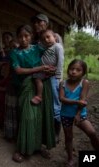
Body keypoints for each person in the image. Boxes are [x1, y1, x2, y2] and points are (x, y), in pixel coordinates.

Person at [10, 25, 56, 163]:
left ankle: (39, 146)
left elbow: (52, 54)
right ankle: (22, 149)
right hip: (26, 87)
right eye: (21, 36)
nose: (23, 39)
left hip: (43, 84)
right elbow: (18, 71)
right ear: (17, 37)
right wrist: (40, 68)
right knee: (27, 117)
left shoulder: (38, 48)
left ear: (31, 37)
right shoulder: (14, 53)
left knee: (41, 117)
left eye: (27, 36)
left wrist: (53, 69)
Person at [59, 59, 99, 167]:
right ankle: (70, 159)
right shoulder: (63, 83)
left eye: (78, 70)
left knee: (92, 133)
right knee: (68, 136)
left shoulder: (84, 83)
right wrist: (76, 101)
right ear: (68, 70)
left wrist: (77, 114)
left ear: (83, 73)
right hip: (65, 114)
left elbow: (83, 99)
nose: (74, 72)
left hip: (80, 114)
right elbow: (62, 99)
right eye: (72, 69)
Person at [32, 13, 64, 143]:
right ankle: (45, 132)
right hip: (42, 74)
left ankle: (56, 132)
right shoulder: (35, 39)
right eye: (35, 22)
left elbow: (59, 57)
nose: (37, 25)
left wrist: (57, 74)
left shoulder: (55, 37)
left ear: (46, 23)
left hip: (52, 76)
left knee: (55, 103)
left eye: (40, 22)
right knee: (45, 104)